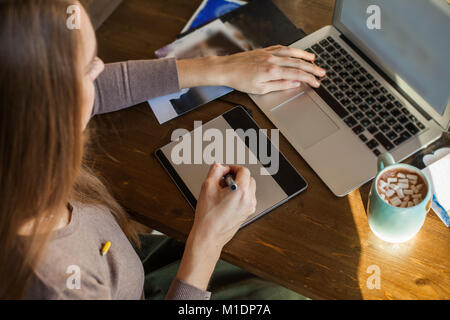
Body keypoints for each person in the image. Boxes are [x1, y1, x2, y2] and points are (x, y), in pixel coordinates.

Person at [0, 0, 325, 300]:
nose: (101, 70)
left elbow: (98, 90)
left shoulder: (18, 149)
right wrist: (207, 241)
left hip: (129, 262)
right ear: (45, 109)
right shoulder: (58, 286)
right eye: (88, 68)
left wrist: (224, 68)